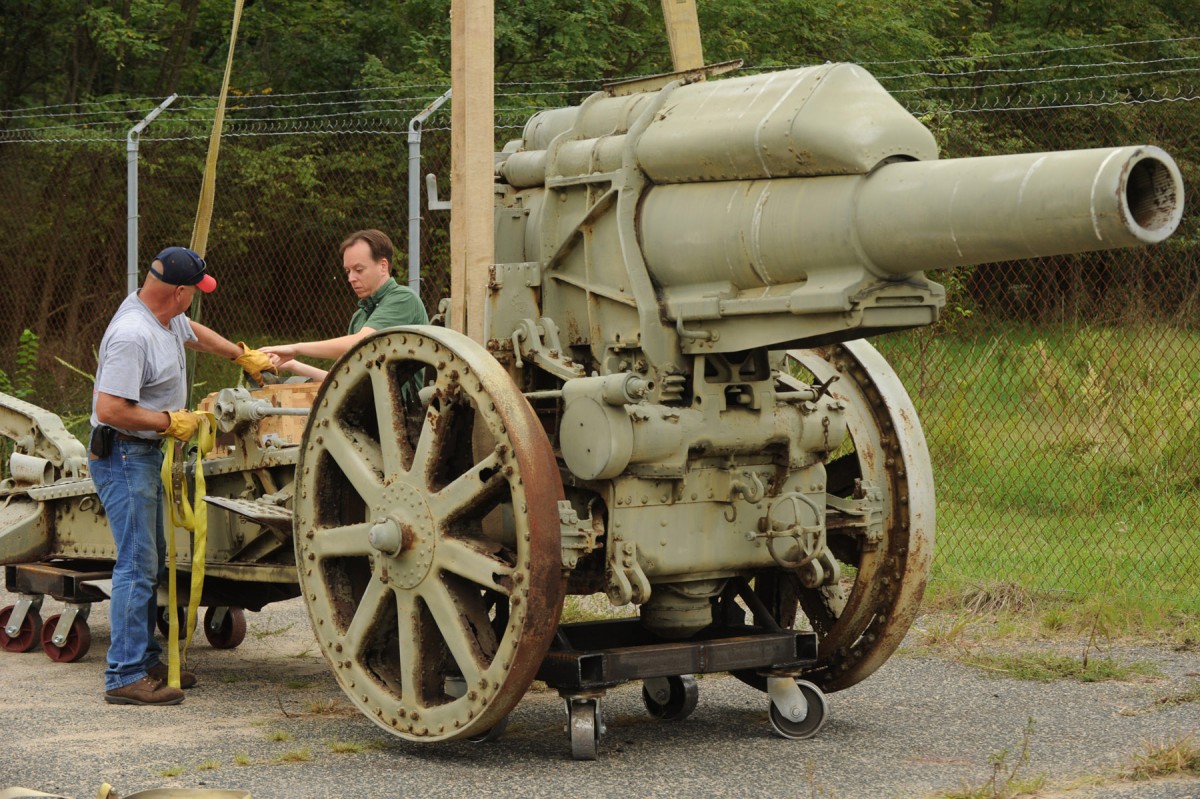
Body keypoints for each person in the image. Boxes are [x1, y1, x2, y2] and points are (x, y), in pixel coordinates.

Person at [90, 246, 275, 706]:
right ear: (178, 291)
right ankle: (123, 675)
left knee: (148, 563)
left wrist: (241, 356)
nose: (197, 298)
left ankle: (147, 660)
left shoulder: (164, 314)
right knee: (135, 566)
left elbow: (194, 334)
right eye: (195, 291)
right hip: (125, 455)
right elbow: (109, 408)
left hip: (144, 455)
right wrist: (169, 422)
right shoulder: (133, 334)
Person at [261, 229, 427, 378]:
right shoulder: (360, 317)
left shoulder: (403, 299)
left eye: (359, 270)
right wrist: (291, 364)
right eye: (348, 271)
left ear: (383, 266)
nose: (351, 278)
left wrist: (295, 348)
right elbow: (341, 383)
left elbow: (363, 341)